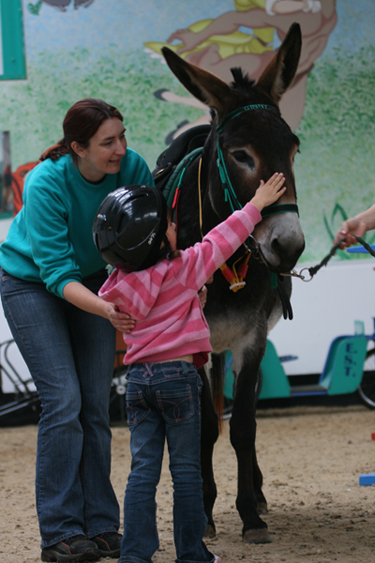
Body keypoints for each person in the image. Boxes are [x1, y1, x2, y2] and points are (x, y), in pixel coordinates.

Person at [94, 172, 286, 563]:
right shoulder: (184, 270)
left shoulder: (116, 285)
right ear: (155, 238)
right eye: (168, 223)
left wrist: (190, 300)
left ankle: (135, 553)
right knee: (186, 472)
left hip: (138, 384)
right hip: (178, 382)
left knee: (142, 472)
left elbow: (152, 302)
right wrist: (256, 204)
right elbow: (222, 239)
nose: (174, 227)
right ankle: (191, 552)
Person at [0, 98, 154, 562]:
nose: (120, 149)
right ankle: (61, 532)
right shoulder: (47, 182)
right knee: (63, 400)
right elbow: (54, 272)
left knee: (94, 403)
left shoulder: (133, 168)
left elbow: (152, 239)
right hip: (31, 282)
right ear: (78, 148)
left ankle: (102, 526)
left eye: (122, 137)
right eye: (108, 142)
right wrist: (109, 309)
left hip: (93, 283)